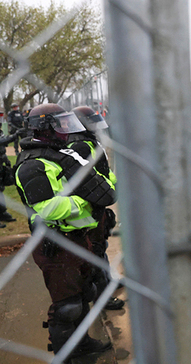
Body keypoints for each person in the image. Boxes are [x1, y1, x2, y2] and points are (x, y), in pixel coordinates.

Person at [14, 103, 116, 358]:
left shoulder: (60, 153)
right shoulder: (31, 164)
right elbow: (48, 208)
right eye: (60, 123)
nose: (66, 129)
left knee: (83, 296)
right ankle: (66, 355)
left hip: (78, 239)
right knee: (66, 307)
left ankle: (82, 344)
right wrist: (85, 202)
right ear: (45, 128)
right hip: (56, 245)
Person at [70, 106, 123, 311]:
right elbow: (90, 179)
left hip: (99, 202)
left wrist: (113, 186)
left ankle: (108, 283)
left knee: (101, 248)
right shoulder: (81, 146)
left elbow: (104, 172)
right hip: (90, 206)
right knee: (95, 251)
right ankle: (102, 297)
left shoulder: (90, 142)